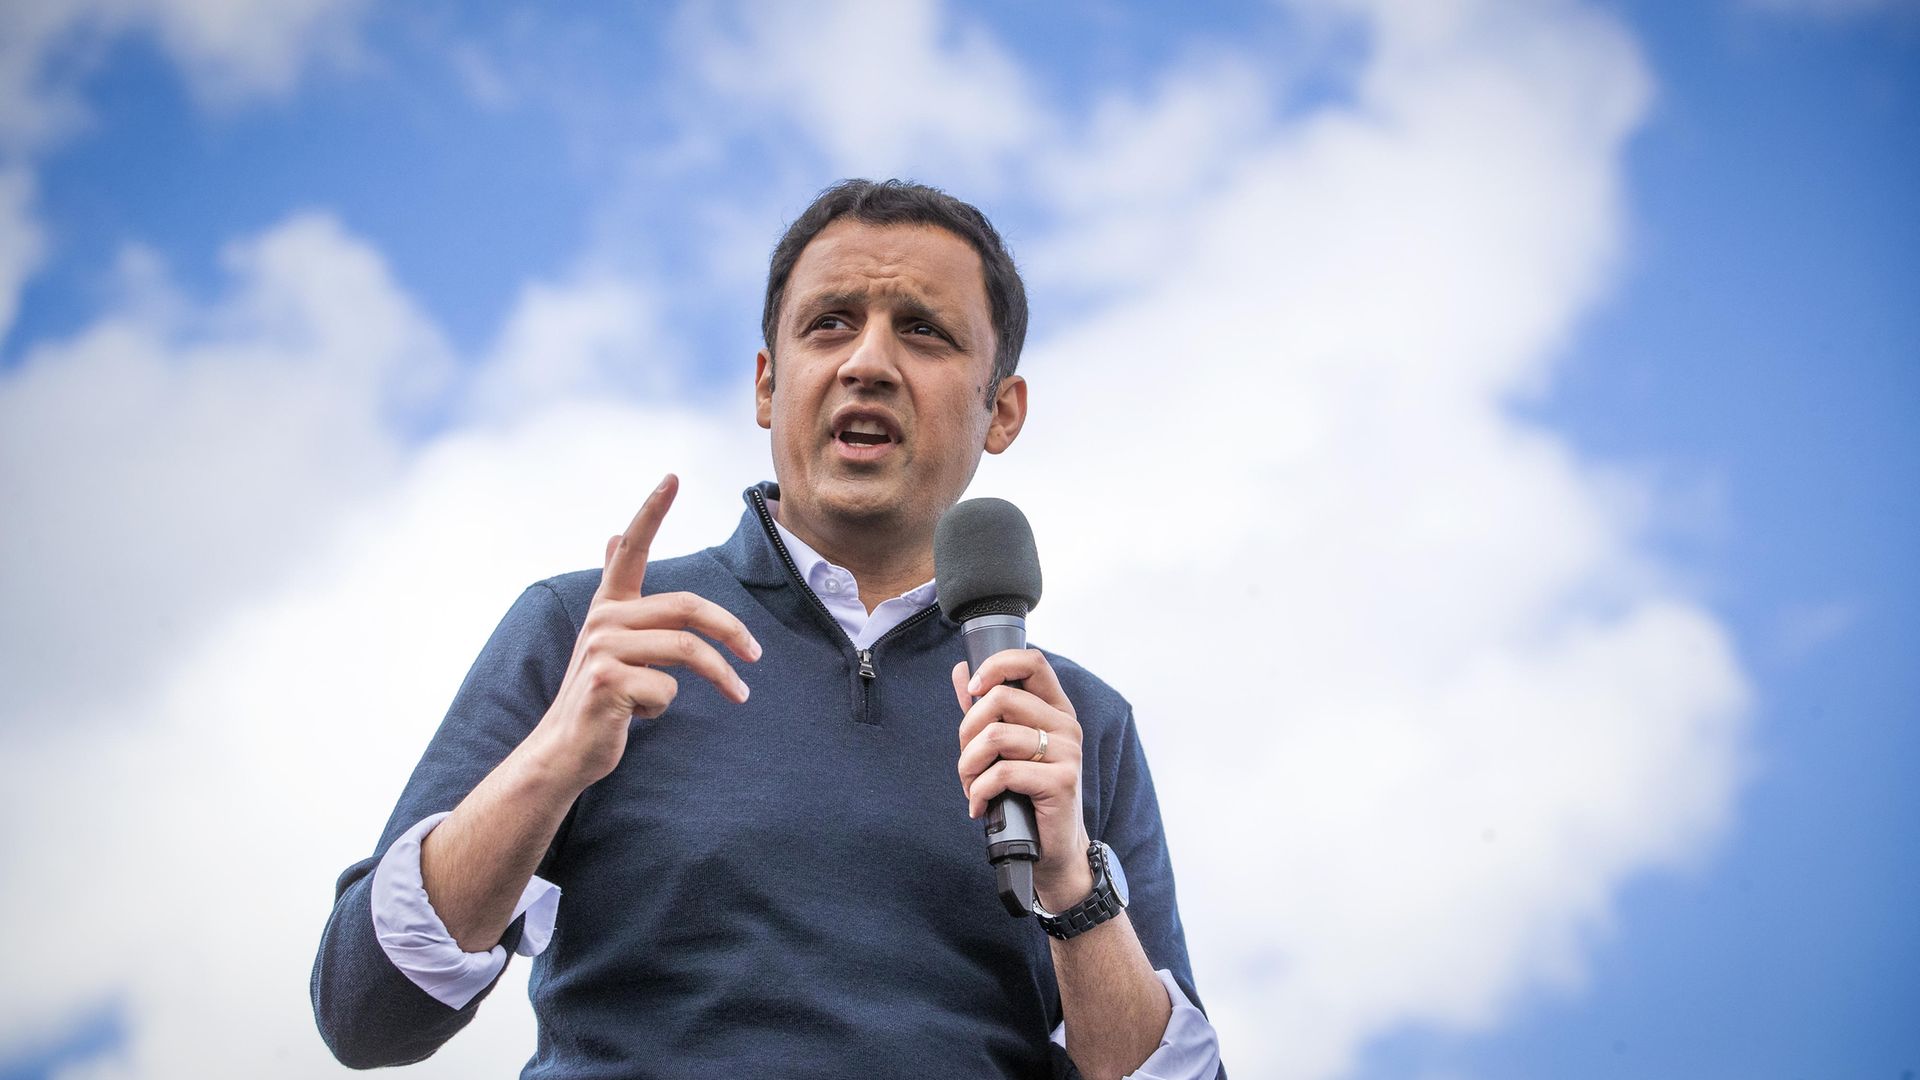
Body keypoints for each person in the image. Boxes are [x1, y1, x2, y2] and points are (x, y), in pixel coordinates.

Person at [311, 179, 1222, 1079]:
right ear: (765, 384)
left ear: (1004, 411)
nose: (866, 361)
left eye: (923, 330)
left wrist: (1073, 888)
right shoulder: (592, 638)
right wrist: (548, 765)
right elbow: (363, 1013)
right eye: (829, 324)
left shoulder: (1073, 726)